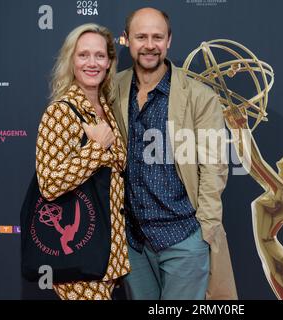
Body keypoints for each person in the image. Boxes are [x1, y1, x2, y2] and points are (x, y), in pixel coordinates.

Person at [112, 7, 237, 300]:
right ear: (126, 40)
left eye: (157, 37)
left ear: (169, 41)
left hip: (183, 238)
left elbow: (215, 167)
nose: (149, 45)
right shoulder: (113, 89)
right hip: (134, 242)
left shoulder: (199, 97)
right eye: (141, 37)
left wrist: (203, 232)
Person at [35, 23, 130, 300]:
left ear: (109, 62)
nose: (92, 63)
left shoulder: (106, 109)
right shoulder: (59, 112)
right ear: (71, 60)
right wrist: (96, 149)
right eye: (83, 55)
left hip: (108, 256)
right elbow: (49, 184)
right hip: (78, 255)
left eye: (100, 56)